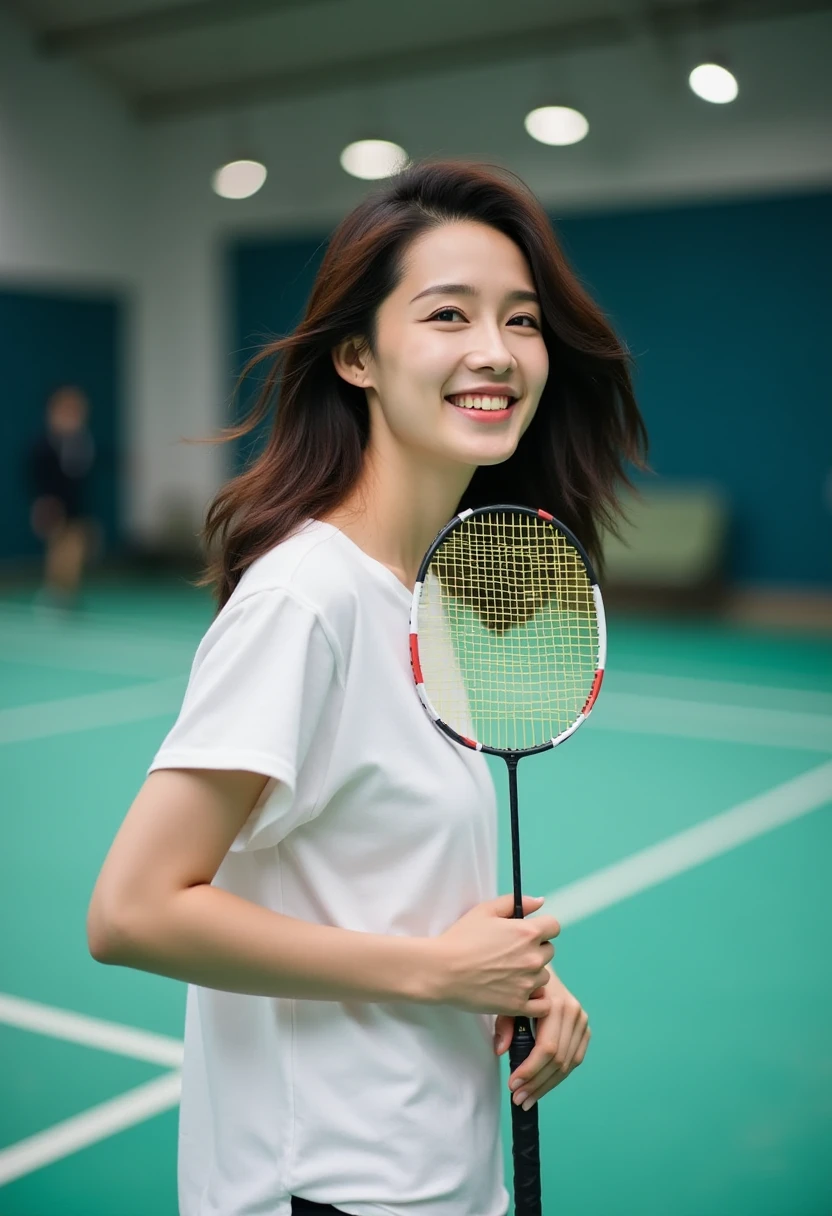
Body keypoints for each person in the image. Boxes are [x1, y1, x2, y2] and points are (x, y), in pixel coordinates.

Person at [87, 159, 648, 1216]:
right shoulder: (306, 598)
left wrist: (504, 971)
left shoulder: (420, 596)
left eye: (522, 320)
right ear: (357, 354)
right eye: (448, 314)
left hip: (436, 1175)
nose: (495, 351)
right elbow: (131, 910)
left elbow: (377, 894)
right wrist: (435, 972)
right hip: (326, 1188)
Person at [29, 384, 96, 608]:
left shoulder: (81, 441)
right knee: (57, 549)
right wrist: (44, 502)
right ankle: (54, 592)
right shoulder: (45, 444)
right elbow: (37, 474)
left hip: (76, 505)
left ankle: (68, 592)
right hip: (53, 504)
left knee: (75, 548)